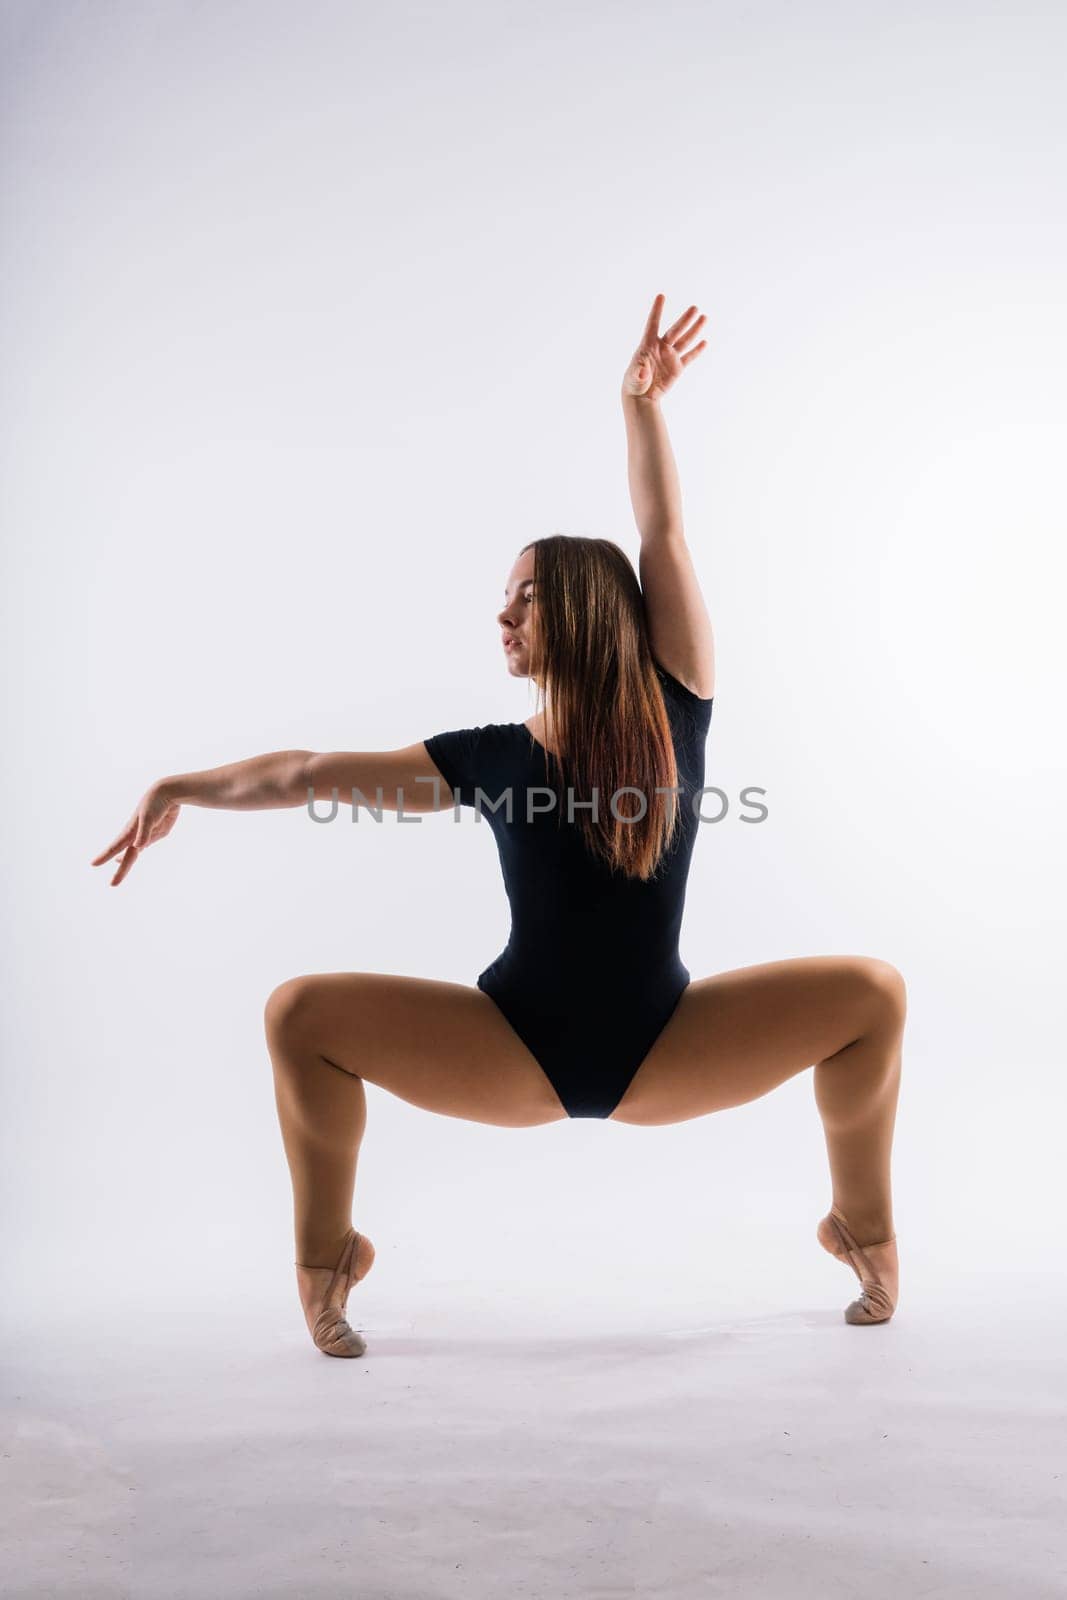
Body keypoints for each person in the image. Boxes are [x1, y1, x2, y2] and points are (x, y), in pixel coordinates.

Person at [92, 294, 906, 1359]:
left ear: (575, 604)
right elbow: (302, 771)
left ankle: (861, 1227)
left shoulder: (677, 697)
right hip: (509, 1046)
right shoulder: (485, 758)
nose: (502, 617)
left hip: (667, 1045)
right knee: (300, 1014)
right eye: (504, 599)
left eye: (521, 597)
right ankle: (328, 1257)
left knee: (871, 996)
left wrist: (640, 405)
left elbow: (659, 531)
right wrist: (180, 787)